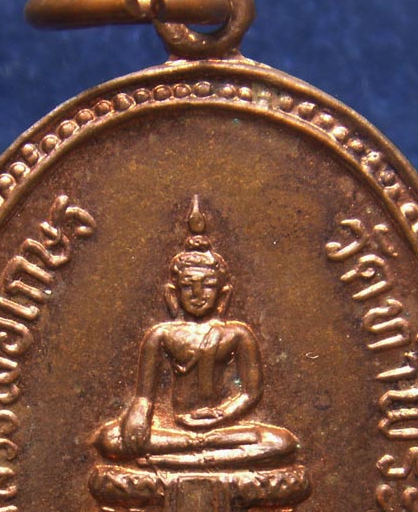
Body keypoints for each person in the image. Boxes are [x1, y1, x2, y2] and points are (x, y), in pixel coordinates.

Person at [94, 196, 299, 468]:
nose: (198, 294)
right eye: (188, 285)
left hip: (222, 430)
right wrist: (138, 417)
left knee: (281, 441)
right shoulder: (161, 335)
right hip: (175, 430)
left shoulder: (237, 335)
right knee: (110, 438)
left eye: (209, 285)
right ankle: (200, 453)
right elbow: (144, 397)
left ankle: (190, 457)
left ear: (224, 294)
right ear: (173, 293)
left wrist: (220, 415)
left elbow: (251, 393)